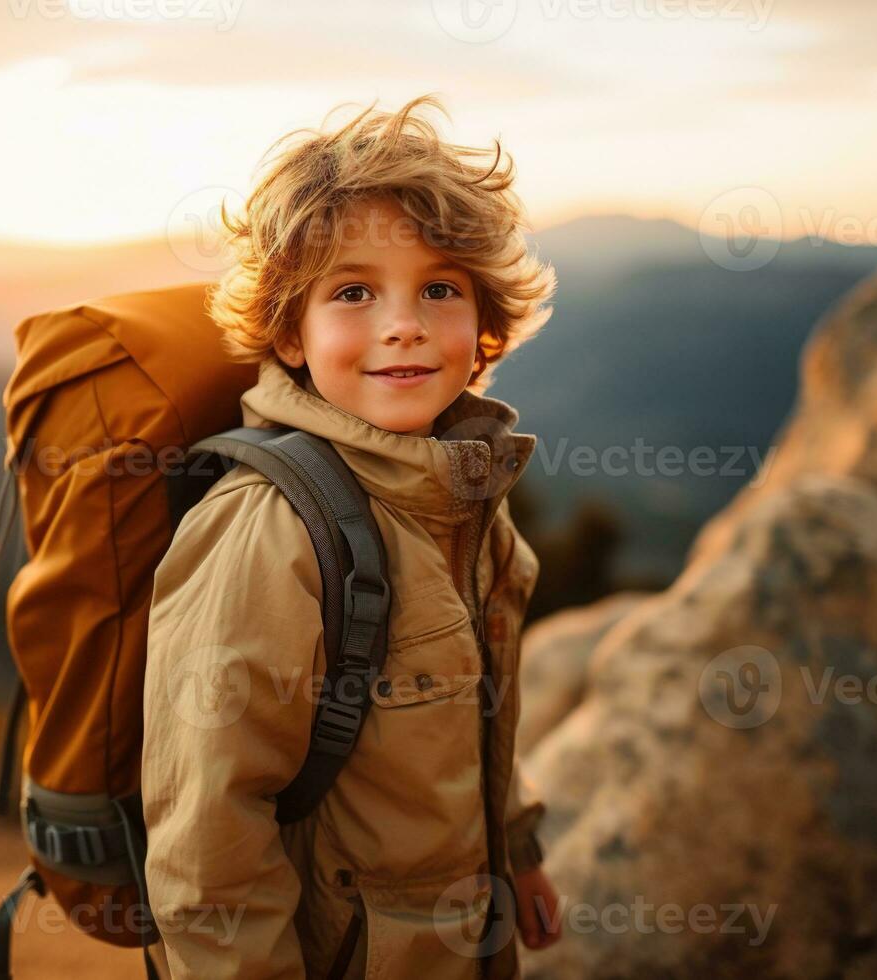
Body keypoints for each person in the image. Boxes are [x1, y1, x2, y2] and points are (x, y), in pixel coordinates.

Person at [141, 93, 562, 979]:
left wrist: (514, 848)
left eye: (438, 288)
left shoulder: (460, 490)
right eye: (354, 292)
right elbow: (210, 845)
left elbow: (476, 707)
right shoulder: (268, 530)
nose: (402, 323)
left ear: (484, 330)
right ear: (290, 333)